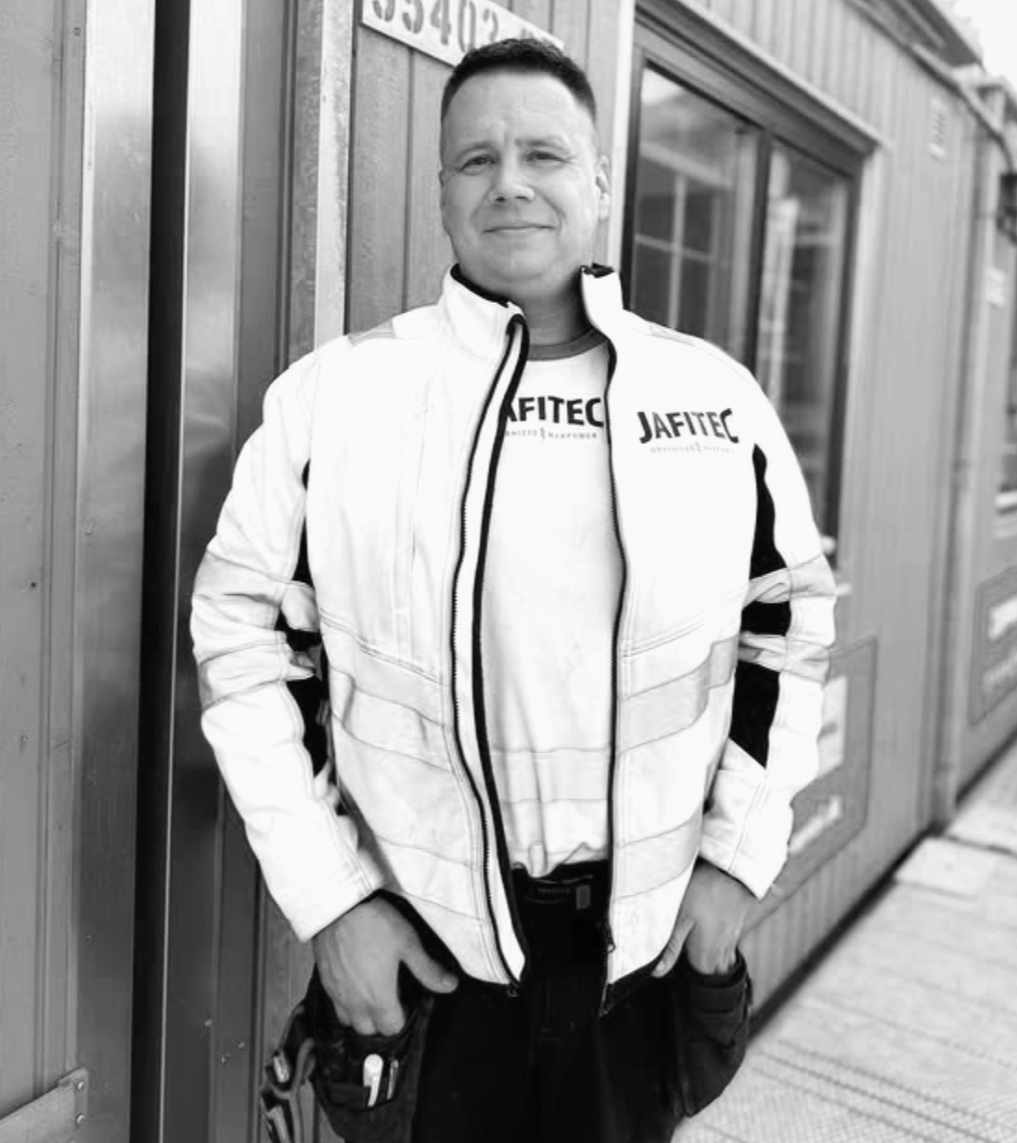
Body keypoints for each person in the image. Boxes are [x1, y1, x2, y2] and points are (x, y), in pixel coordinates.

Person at [192, 38, 836, 1143]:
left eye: (544, 153)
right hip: (427, 972)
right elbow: (242, 639)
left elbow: (787, 623)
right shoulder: (336, 400)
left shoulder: (712, 400)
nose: (510, 182)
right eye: (476, 158)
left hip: (643, 966)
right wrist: (331, 903)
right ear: (443, 188)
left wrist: (736, 864)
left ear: (598, 181)